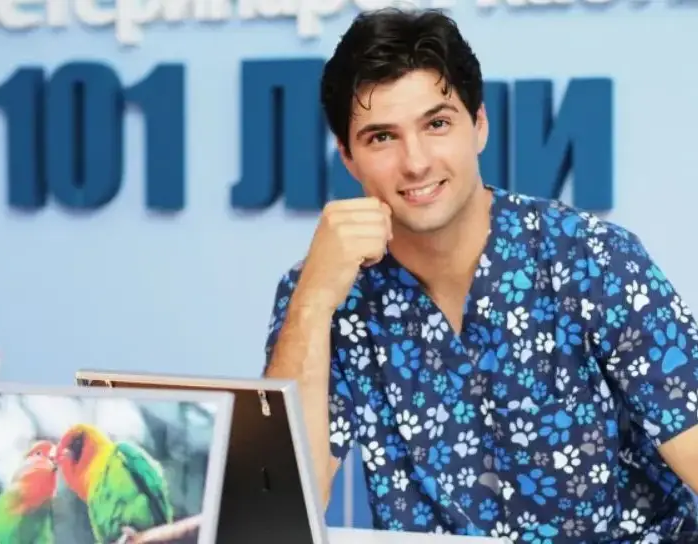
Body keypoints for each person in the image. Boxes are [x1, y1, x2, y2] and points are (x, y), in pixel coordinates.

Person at [263, 7, 698, 542]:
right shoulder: (326, 288)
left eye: (437, 124)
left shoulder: (590, 257)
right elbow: (282, 508)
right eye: (381, 138)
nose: (416, 162)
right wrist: (312, 303)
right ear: (348, 158)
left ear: (480, 126)